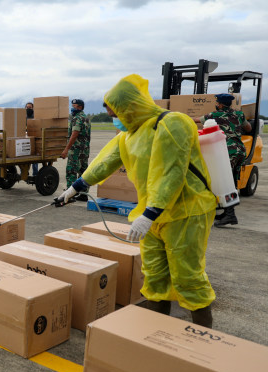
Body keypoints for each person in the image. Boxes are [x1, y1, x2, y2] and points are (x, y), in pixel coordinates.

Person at [60, 74, 217, 328]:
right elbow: (105, 160)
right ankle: (156, 332)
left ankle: (201, 336)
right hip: (152, 215)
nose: (115, 119)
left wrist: (150, 212)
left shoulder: (172, 123)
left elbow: (170, 172)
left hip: (186, 211)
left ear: (130, 108)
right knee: (154, 275)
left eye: (116, 113)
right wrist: (76, 186)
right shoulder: (127, 135)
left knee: (187, 276)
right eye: (111, 114)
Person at [193, 93, 251, 227]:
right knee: (232, 181)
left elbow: (196, 120)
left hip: (227, 152)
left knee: (225, 182)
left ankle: (230, 215)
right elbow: (248, 128)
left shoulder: (214, 115)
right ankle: (227, 212)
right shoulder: (239, 114)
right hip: (240, 151)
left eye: (217, 102)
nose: (216, 104)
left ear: (219, 104)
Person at [60, 99, 91, 201]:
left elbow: (74, 134)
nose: (72, 108)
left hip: (76, 149)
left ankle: (70, 194)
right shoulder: (86, 118)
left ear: (80, 107)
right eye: (72, 105)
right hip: (85, 149)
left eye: (75, 106)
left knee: (71, 171)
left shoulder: (77, 118)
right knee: (83, 171)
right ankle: (83, 194)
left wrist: (66, 149)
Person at [25, 102, 41, 176]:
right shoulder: (23, 117)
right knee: (26, 157)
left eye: (30, 107)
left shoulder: (36, 116)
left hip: (34, 138)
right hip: (26, 138)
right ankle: (25, 172)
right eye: (27, 107)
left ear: (33, 108)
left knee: (34, 157)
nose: (28, 109)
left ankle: (35, 173)